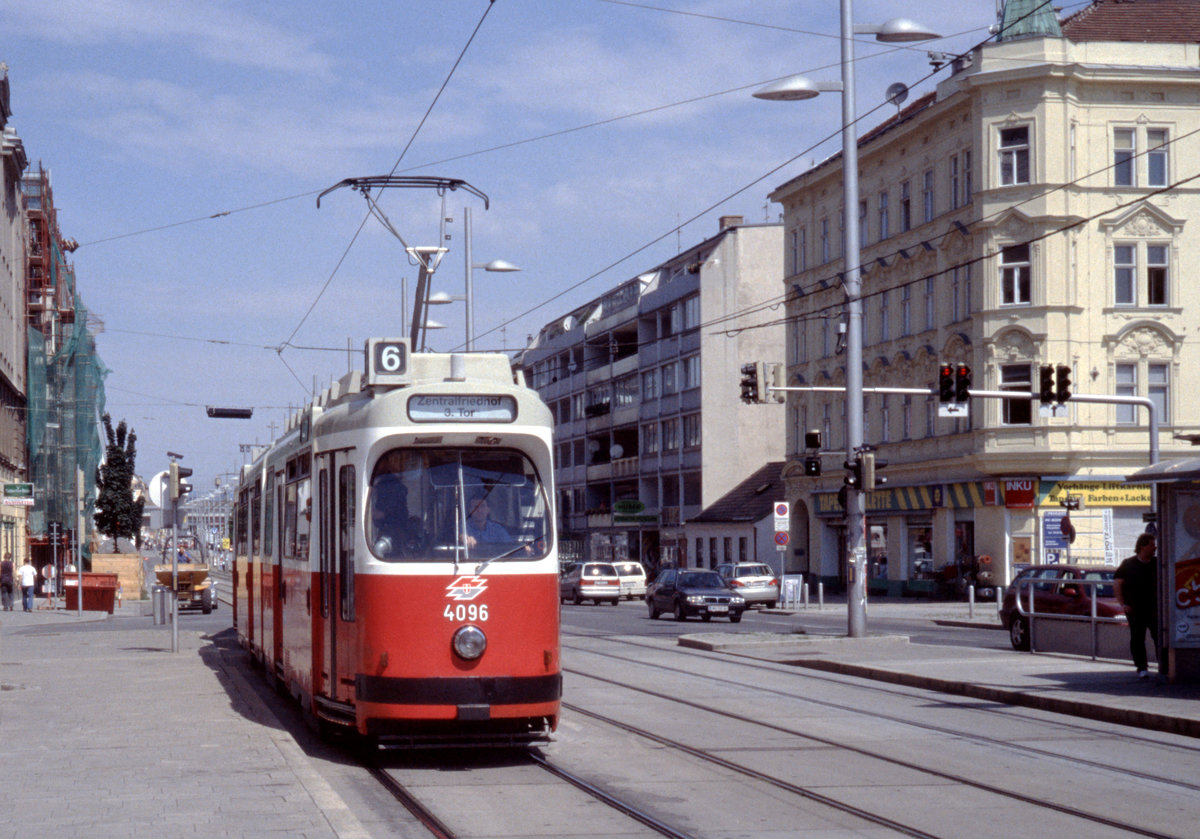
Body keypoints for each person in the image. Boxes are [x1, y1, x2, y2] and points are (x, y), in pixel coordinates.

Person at [1115, 532, 1158, 679]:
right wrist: (1123, 604)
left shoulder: (1157, 563)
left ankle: (1164, 666)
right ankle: (1142, 668)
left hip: (1155, 608)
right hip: (1135, 608)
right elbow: (1118, 583)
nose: (1155, 548)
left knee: (1159, 636)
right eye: (1152, 545)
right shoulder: (1128, 564)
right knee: (1138, 638)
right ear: (1142, 546)